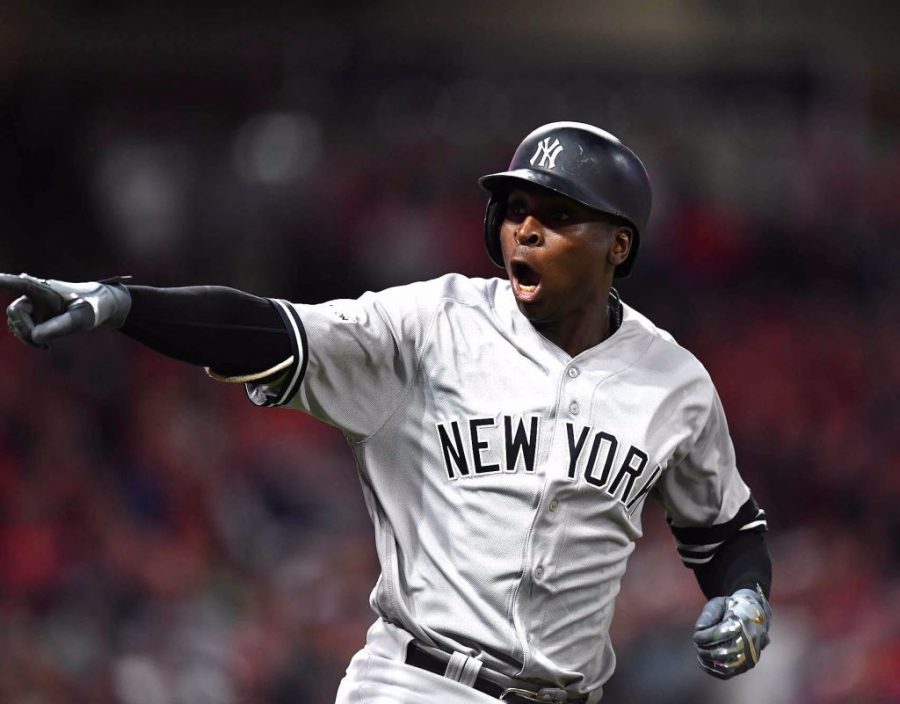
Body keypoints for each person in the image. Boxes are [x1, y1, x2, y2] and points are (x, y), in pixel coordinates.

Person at [1, 121, 771, 703]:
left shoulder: (673, 382)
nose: (526, 228)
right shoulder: (430, 326)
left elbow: (724, 530)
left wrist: (745, 599)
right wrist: (125, 303)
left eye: (559, 215)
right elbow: (269, 326)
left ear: (618, 246)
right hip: (417, 684)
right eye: (514, 208)